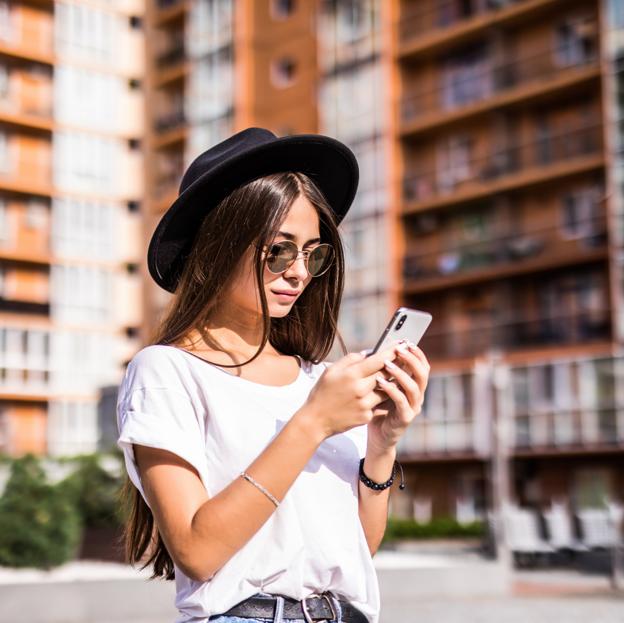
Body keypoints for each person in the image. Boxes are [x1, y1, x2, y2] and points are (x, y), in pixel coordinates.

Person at [116, 127, 430, 623]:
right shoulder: (166, 371)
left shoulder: (316, 381)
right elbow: (196, 550)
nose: (299, 272)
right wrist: (312, 425)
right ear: (218, 246)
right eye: (279, 250)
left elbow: (356, 552)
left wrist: (381, 446)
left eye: (314, 253)